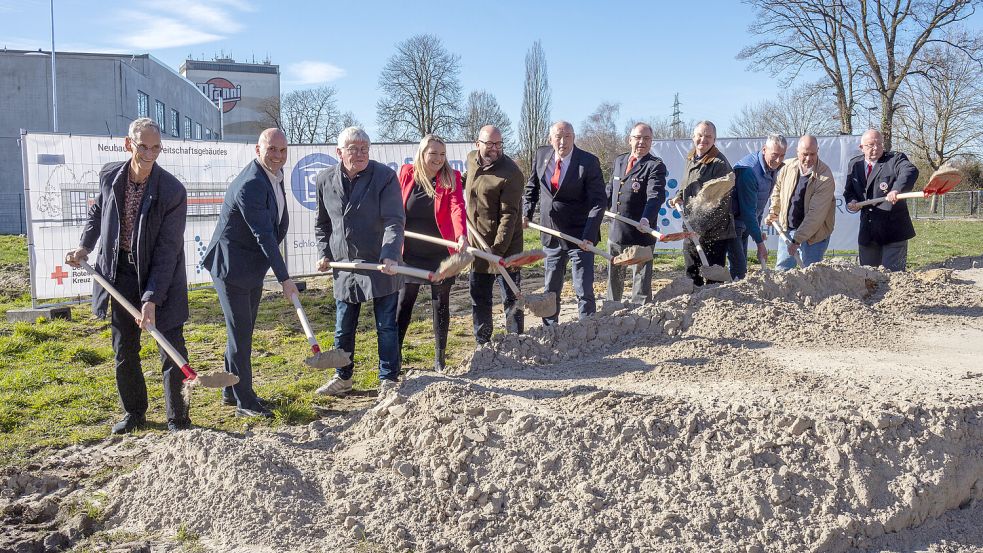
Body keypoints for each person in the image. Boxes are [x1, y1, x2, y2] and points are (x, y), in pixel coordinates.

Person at [65, 118, 191, 433]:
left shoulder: (172, 191)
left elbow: (168, 251)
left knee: (170, 345)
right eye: (143, 146)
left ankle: (178, 418)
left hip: (160, 275)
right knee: (124, 348)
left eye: (156, 147)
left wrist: (151, 299)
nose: (150, 153)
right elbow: (97, 212)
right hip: (119, 272)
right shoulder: (110, 176)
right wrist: (84, 246)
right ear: (128, 144)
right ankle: (134, 413)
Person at [202, 128, 298, 418]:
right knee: (241, 334)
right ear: (258, 150)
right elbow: (263, 235)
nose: (278, 156)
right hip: (231, 267)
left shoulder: (273, 177)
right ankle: (246, 401)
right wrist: (284, 278)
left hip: (251, 267)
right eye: (272, 150)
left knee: (241, 332)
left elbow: (275, 225)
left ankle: (230, 390)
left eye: (282, 150)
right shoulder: (251, 184)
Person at [313, 127, 404, 400]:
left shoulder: (385, 177)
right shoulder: (324, 179)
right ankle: (343, 377)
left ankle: (389, 379)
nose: (360, 153)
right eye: (354, 148)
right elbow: (322, 224)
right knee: (343, 326)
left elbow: (394, 220)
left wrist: (390, 253)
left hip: (379, 264)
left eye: (365, 148)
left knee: (386, 325)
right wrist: (324, 252)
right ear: (339, 152)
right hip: (344, 266)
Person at [396, 135, 467, 373]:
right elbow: (396, 207)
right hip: (411, 252)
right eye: (433, 153)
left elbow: (457, 207)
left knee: (441, 303)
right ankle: (393, 356)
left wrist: (460, 236)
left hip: (440, 252)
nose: (438, 159)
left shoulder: (451, 177)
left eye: (442, 154)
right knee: (405, 301)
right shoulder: (406, 174)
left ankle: (439, 359)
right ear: (422, 153)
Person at [523, 121, 606, 324]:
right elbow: (531, 188)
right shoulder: (541, 156)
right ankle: (550, 331)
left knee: (583, 289)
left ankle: (587, 330)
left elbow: (599, 202)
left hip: (579, 237)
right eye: (558, 137)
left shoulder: (588, 162)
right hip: (550, 234)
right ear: (550, 139)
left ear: (574, 137)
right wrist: (525, 213)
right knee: (550, 289)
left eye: (567, 136)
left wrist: (588, 236)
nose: (563, 141)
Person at [465, 125, 525, 344]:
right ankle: (483, 344)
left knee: (511, 296)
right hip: (478, 243)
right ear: (477, 143)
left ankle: (516, 341)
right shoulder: (471, 160)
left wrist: (498, 252)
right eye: (489, 143)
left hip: (506, 246)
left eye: (498, 144)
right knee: (479, 295)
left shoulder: (511, 174)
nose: (494, 149)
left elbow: (509, 216)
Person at [606, 123, 667, 303]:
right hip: (617, 231)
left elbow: (655, 196)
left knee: (641, 282)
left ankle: (640, 318)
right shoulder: (620, 161)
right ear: (630, 139)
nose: (642, 142)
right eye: (638, 138)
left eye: (646, 139)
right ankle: (612, 311)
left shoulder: (654, 166)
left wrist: (646, 218)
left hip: (641, 233)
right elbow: (610, 189)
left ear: (651, 141)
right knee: (614, 278)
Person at [668, 121, 734, 285]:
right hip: (691, 229)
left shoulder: (719, 164)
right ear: (693, 136)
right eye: (700, 135)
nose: (703, 139)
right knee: (691, 275)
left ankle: (714, 308)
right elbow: (685, 184)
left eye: (708, 136)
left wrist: (699, 229)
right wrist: (678, 196)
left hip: (714, 233)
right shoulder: (691, 158)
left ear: (714, 139)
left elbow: (720, 204)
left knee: (713, 279)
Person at [844, 129, 919, 271]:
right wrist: (852, 201)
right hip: (868, 232)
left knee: (892, 276)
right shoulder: (854, 164)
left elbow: (910, 171)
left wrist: (896, 189)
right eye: (871, 145)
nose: (876, 148)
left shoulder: (894, 159)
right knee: (868, 276)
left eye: (879, 144)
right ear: (861, 148)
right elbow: (849, 191)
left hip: (894, 231)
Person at [765, 135, 836, 271]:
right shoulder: (787, 167)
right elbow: (777, 189)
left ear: (818, 151)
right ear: (797, 151)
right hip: (788, 230)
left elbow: (815, 216)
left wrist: (797, 240)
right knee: (782, 271)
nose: (809, 158)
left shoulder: (825, 176)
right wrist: (774, 210)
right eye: (805, 154)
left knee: (810, 273)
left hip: (814, 236)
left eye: (812, 154)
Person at [728, 134, 787, 279]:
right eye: (775, 155)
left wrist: (757, 232)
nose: (778, 160)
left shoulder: (771, 168)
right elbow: (748, 211)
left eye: (782, 155)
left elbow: (759, 204)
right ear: (764, 149)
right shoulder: (749, 171)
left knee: (741, 265)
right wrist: (760, 244)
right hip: (732, 222)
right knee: (739, 266)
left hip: (744, 223)